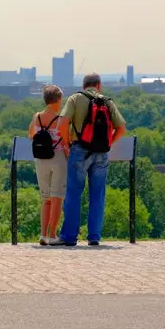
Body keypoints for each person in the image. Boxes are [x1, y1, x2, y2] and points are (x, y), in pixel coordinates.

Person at [52, 73, 127, 246]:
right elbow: (121, 129)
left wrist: (67, 144)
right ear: (99, 85)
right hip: (101, 153)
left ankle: (69, 236)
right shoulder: (107, 101)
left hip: (79, 151)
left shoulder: (75, 98)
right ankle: (94, 236)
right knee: (97, 195)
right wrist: (108, 143)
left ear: (84, 85)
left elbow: (62, 123)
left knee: (73, 194)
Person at [28, 85, 69, 245]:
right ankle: (53, 234)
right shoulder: (61, 120)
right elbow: (66, 142)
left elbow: (31, 135)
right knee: (57, 197)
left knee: (46, 199)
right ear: (58, 100)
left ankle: (43, 234)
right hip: (57, 158)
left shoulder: (36, 117)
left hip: (40, 159)